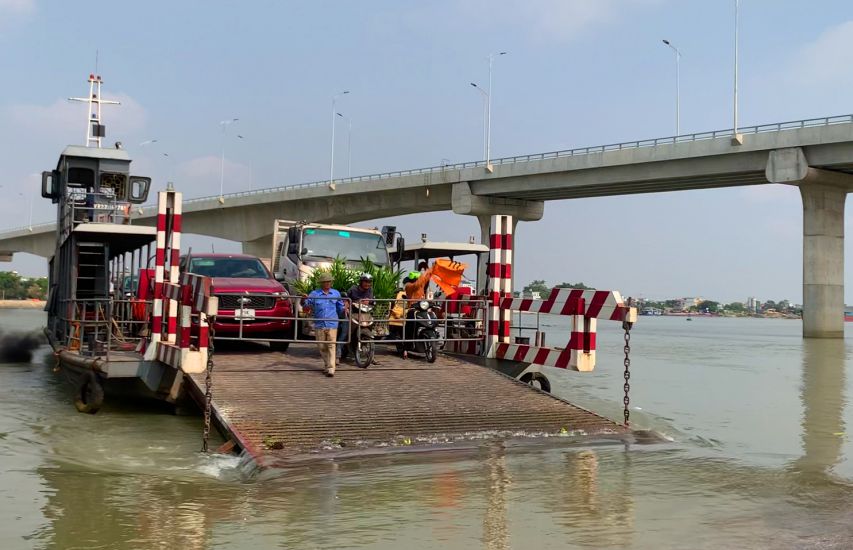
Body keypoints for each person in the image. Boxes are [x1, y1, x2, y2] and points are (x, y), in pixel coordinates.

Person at [302, 272, 346, 377]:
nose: (327, 283)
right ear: (321, 283)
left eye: (329, 281)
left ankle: (331, 368)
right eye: (325, 282)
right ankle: (327, 365)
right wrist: (305, 300)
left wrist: (344, 310)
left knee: (331, 345)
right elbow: (307, 307)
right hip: (319, 323)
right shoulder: (314, 294)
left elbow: (340, 307)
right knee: (322, 346)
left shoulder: (336, 293)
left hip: (332, 323)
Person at [340, 273, 374, 361]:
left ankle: (370, 354)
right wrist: (346, 307)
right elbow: (346, 299)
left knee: (370, 326)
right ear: (361, 282)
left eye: (369, 282)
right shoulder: (353, 289)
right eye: (365, 281)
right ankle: (338, 353)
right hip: (353, 313)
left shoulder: (370, 290)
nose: (367, 284)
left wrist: (370, 301)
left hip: (364, 313)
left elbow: (371, 300)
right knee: (345, 332)